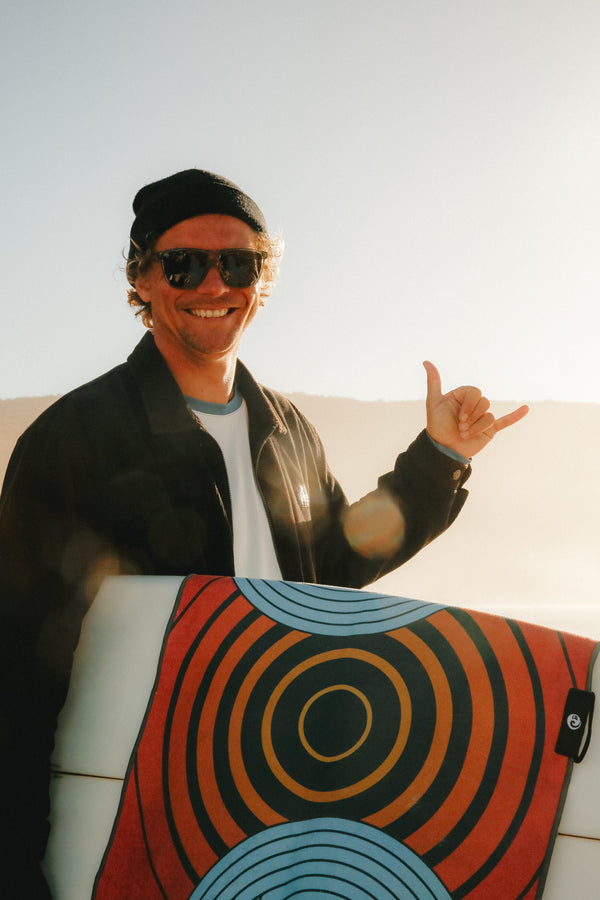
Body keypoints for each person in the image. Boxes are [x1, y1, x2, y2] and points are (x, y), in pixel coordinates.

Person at [0, 169, 528, 897]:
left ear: (262, 279)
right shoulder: (76, 440)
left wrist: (439, 460)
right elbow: (18, 677)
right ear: (143, 279)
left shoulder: (287, 429)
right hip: (136, 815)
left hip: (278, 802)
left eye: (239, 264)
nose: (214, 285)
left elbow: (336, 564)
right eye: (184, 263)